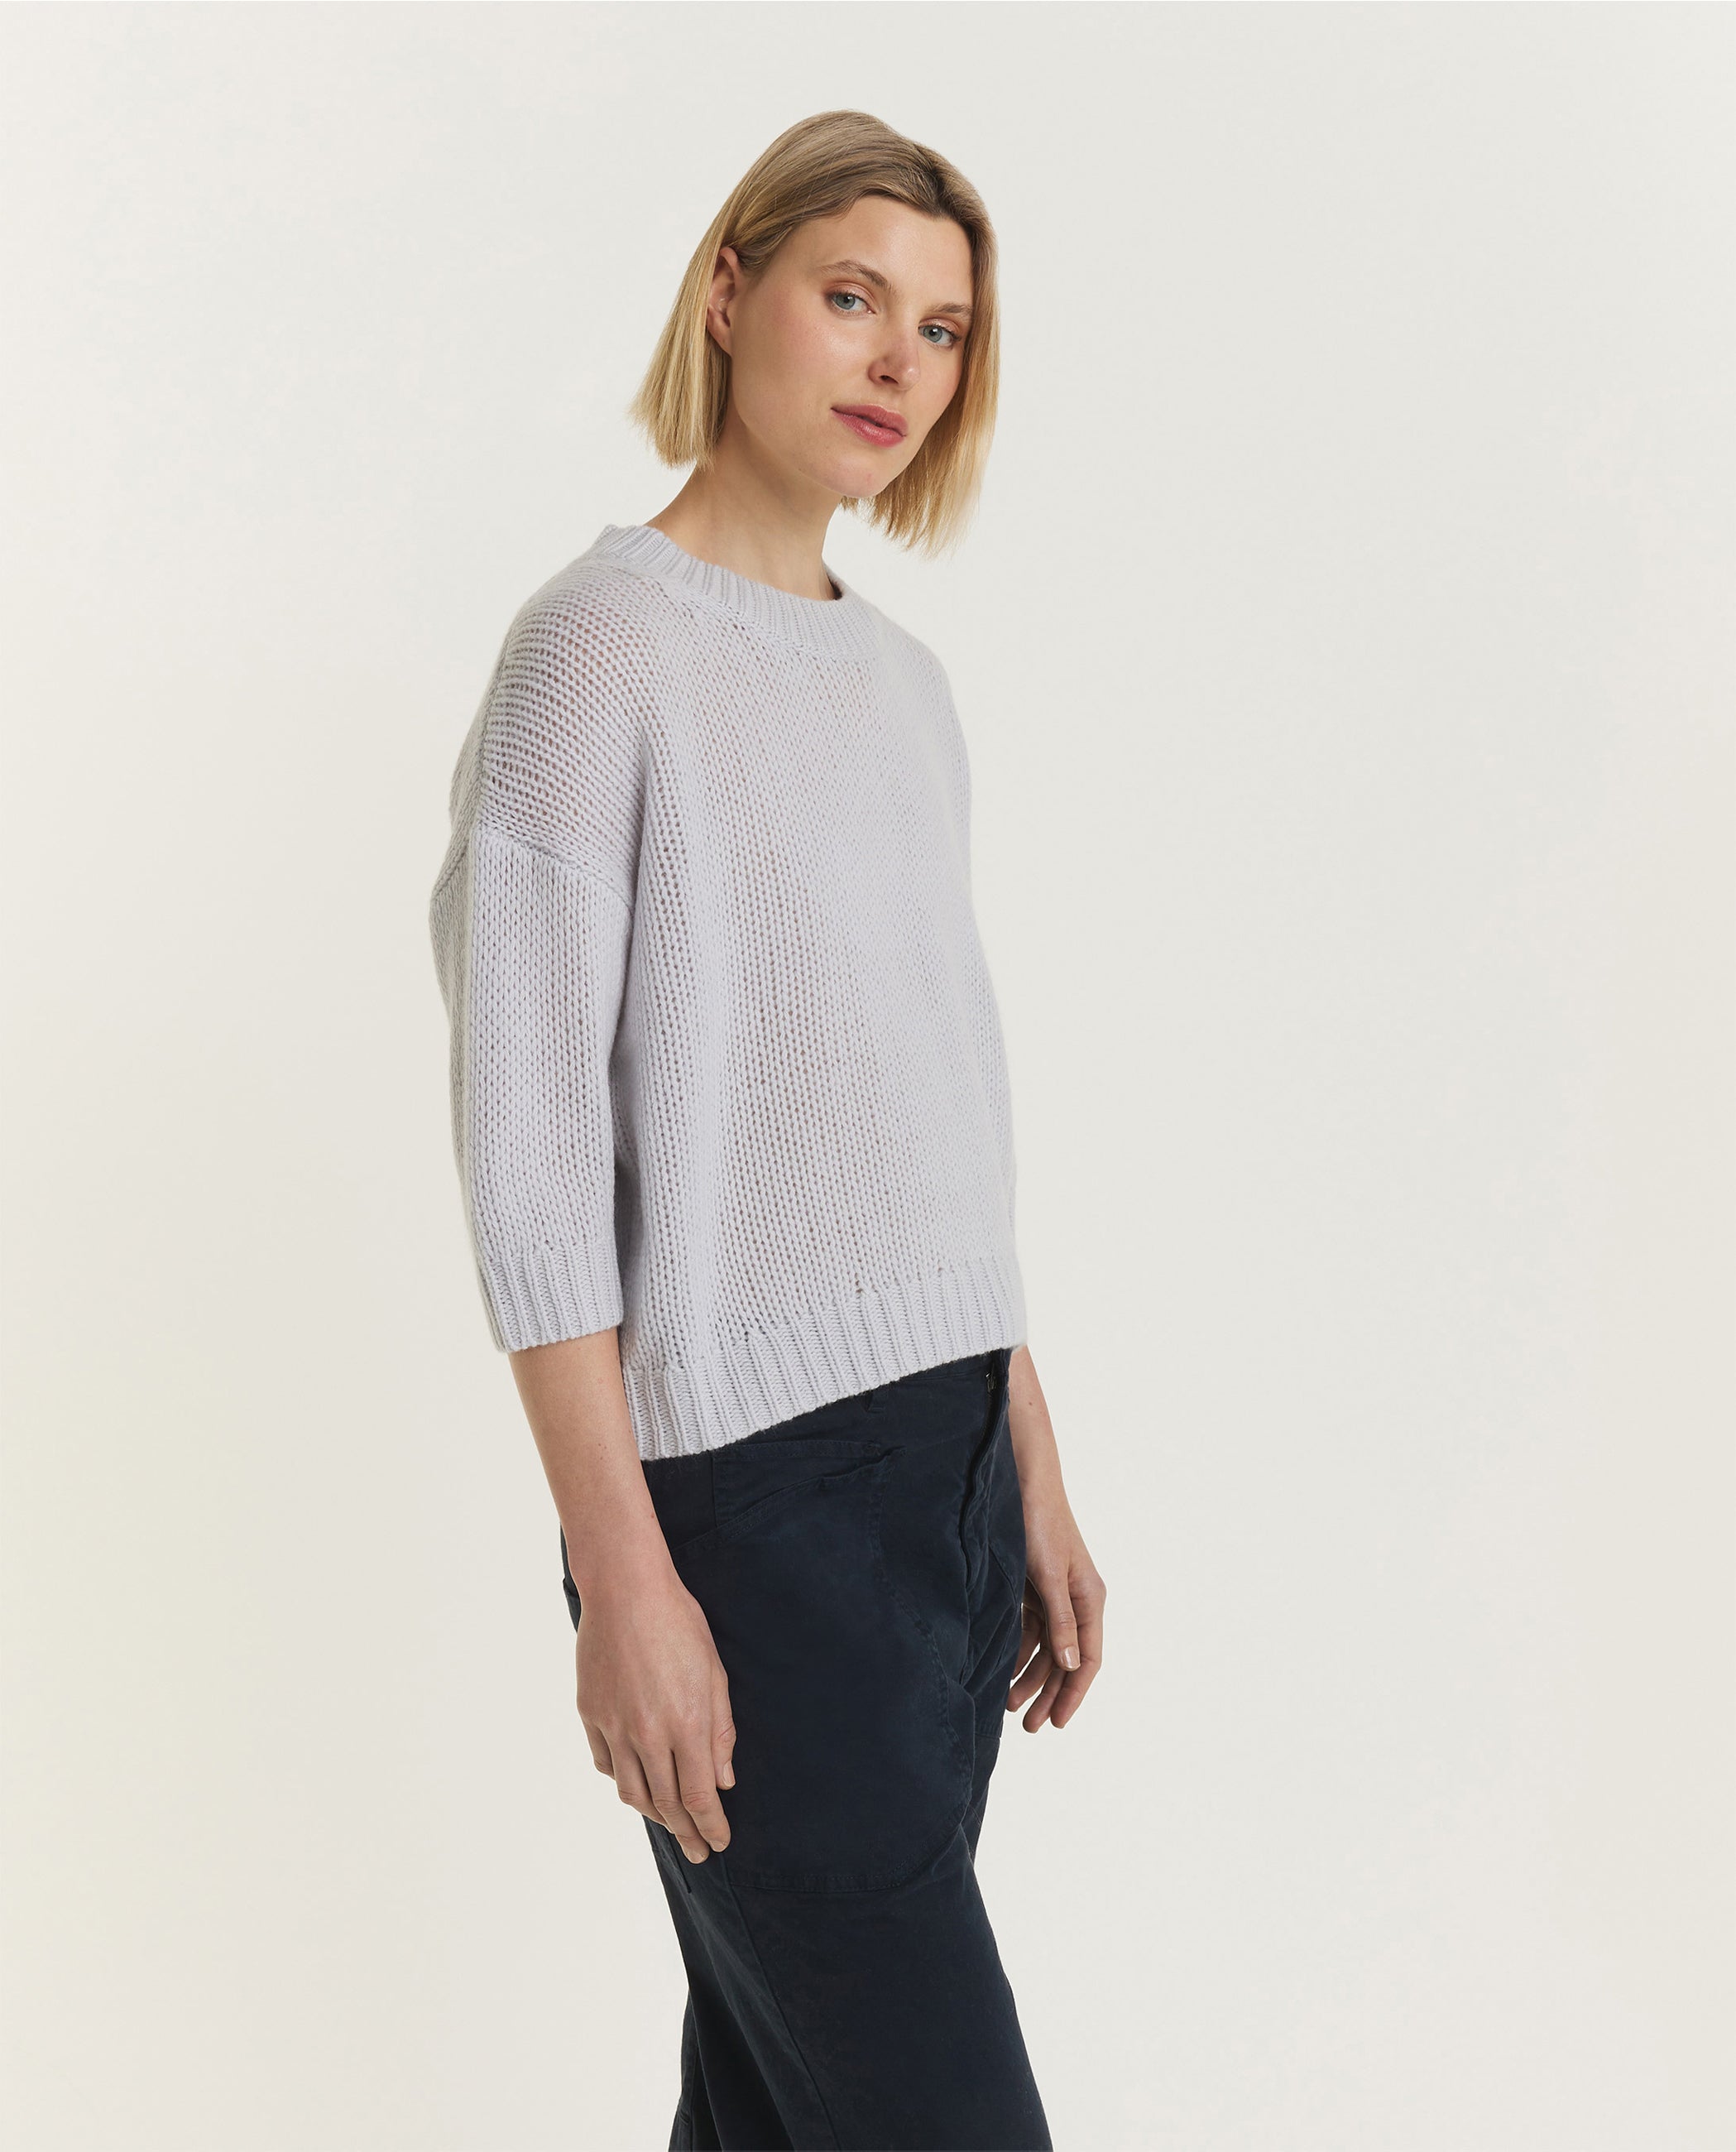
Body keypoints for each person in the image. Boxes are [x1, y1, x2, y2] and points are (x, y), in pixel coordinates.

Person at [428, 108, 1105, 2152]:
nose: (898, 361)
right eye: (850, 296)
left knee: (780, 2108)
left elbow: (932, 1099)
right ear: (728, 295)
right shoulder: (596, 653)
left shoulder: (902, 687)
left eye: (942, 329)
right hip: (751, 1517)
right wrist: (620, 1575)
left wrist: (1026, 1456)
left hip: (947, 1488)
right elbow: (531, 1173)